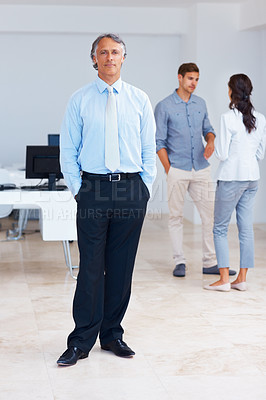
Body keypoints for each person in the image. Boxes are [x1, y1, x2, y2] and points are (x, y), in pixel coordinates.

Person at [57, 33, 156, 366]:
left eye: (116, 52)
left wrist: (145, 187)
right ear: (94, 58)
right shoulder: (80, 99)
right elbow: (68, 149)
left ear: (124, 58)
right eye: (104, 52)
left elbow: (147, 148)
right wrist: (78, 189)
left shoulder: (139, 99)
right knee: (90, 268)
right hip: (93, 190)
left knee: (120, 268)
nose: (110, 57)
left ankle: (112, 334)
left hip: (131, 189)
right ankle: (81, 341)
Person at [154, 62, 236, 278]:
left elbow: (208, 130)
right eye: (190, 78)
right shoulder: (164, 106)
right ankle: (179, 261)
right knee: (176, 217)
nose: (194, 83)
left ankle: (210, 261)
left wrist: (210, 141)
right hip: (177, 169)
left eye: (197, 79)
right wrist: (169, 169)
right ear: (179, 78)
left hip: (200, 168)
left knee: (210, 216)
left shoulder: (201, 103)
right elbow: (159, 142)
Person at [204, 73, 266, 292]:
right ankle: (241, 278)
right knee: (246, 229)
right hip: (252, 179)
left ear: (231, 91)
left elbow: (221, 153)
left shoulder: (227, 118)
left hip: (231, 178)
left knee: (220, 228)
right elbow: (260, 153)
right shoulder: (260, 118)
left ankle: (223, 280)